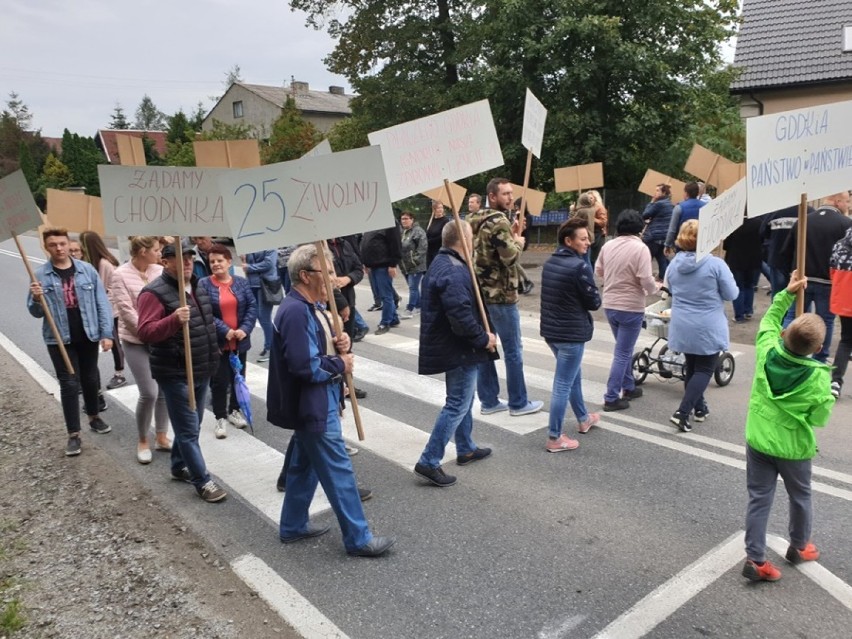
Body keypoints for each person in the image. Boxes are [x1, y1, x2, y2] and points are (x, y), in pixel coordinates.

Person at [267, 244, 394, 557]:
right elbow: (305, 366)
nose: (334, 279)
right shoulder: (297, 310)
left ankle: (293, 525)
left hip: (313, 402)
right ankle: (358, 538)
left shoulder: (308, 306)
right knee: (339, 472)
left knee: (303, 467)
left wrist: (341, 342)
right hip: (313, 404)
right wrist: (342, 364)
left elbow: (319, 347)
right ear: (307, 275)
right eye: (328, 272)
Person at [742, 270, 834, 582]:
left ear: (784, 334)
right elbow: (818, 418)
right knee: (801, 496)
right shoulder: (820, 377)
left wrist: (788, 293)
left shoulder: (767, 348)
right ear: (818, 348)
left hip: (758, 439)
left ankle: (755, 558)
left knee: (759, 497)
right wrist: (828, 397)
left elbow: (769, 318)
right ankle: (799, 545)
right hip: (793, 449)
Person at [137, 241, 227, 503]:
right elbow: (146, 332)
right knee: (188, 431)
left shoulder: (198, 285)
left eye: (189, 257)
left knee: (194, 425)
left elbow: (206, 323)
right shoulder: (153, 293)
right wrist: (174, 319)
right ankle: (203, 480)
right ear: (165, 262)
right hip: (176, 372)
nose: (187, 262)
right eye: (179, 257)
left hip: (202, 367)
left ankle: (178, 465)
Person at [414, 220, 497, 485]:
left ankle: (466, 447)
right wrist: (484, 338)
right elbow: (460, 315)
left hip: (453, 346)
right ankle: (429, 460)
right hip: (458, 348)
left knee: (463, 399)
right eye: (471, 237)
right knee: (458, 403)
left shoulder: (444, 263)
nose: (474, 242)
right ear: (463, 239)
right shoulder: (454, 270)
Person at [27, 228, 113, 457]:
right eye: (53, 244)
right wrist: (36, 298)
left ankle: (94, 417)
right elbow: (35, 312)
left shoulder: (86, 271)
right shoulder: (40, 275)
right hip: (58, 339)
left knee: (90, 378)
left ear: (69, 244)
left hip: (87, 334)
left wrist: (107, 333)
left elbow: (101, 303)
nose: (59, 248)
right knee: (68, 384)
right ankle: (73, 434)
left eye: (62, 243)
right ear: (47, 247)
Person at [469, 177, 543, 416]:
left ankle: (489, 401)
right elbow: (509, 257)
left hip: (479, 293)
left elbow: (485, 250)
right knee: (513, 350)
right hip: (501, 294)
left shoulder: (473, 219)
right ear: (492, 196)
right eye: (506, 194)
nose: (511, 198)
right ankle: (518, 402)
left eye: (511, 193)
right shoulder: (499, 220)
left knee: (486, 347)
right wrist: (518, 241)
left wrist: (509, 235)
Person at [665, 220, 739, 431]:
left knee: (692, 367)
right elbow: (731, 294)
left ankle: (700, 408)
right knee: (705, 370)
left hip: (682, 324)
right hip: (707, 324)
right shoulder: (715, 264)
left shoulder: (674, 263)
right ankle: (682, 412)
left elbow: (670, 288)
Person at [540, 218, 602, 452]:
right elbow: (594, 302)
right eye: (583, 239)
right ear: (569, 241)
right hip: (571, 333)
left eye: (588, 238)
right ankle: (554, 437)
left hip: (553, 332)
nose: (588, 242)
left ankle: (584, 418)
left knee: (573, 377)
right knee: (563, 384)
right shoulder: (579, 267)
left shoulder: (550, 262)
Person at [111, 236, 172, 463]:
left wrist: (165, 329)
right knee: (149, 392)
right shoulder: (120, 275)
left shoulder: (159, 270)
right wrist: (151, 332)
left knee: (164, 390)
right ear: (143, 251)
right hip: (136, 341)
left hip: (161, 339)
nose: (159, 253)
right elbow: (126, 312)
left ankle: (162, 436)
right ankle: (142, 439)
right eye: (156, 249)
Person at [595, 210, 658, 411]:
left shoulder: (608, 245)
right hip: (631, 306)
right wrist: (656, 288)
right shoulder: (641, 249)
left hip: (610, 304)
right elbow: (646, 279)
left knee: (624, 349)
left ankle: (629, 386)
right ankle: (611, 397)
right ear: (640, 228)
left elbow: (598, 271)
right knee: (623, 352)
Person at [780, 191, 852, 362]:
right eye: (847, 202)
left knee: (793, 317)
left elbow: (786, 251)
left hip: (801, 279)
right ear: (837, 201)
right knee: (825, 322)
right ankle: (820, 358)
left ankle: (785, 351)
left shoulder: (804, 220)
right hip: (828, 282)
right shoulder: (845, 224)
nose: (848, 206)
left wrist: (791, 273)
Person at [199, 244, 257, 439]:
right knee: (219, 381)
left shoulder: (241, 283)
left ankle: (234, 410)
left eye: (219, 260)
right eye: (212, 261)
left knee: (238, 378)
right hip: (218, 343)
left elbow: (251, 307)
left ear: (229, 262)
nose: (216, 264)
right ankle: (220, 417)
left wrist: (244, 329)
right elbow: (204, 312)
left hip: (239, 341)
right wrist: (226, 331)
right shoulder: (204, 284)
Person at [361, 223, 402, 335]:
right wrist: (365, 262)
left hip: (383, 265)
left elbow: (396, 244)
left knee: (386, 295)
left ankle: (385, 322)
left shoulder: (389, 222)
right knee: (381, 294)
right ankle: (393, 318)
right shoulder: (372, 221)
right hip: (373, 265)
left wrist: (393, 264)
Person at [723, 215, 764, 323]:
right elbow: (763, 240)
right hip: (754, 259)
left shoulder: (733, 223)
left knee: (738, 287)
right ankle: (748, 311)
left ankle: (739, 315)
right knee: (749, 285)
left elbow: (726, 245)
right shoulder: (759, 223)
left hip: (736, 260)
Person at [241, 249, 279, 362]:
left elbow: (269, 263)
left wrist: (249, 267)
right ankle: (269, 345)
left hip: (265, 285)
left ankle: (271, 348)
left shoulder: (267, 243)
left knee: (264, 317)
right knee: (258, 316)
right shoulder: (248, 244)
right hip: (252, 284)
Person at [829, 226, 852, 399]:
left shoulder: (840, 245)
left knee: (846, 340)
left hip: (845, 300)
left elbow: (832, 271)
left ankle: (835, 382)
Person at [641, 184, 674, 280]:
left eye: (657, 191)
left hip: (653, 236)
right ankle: (665, 279)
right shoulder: (669, 203)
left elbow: (645, 215)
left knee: (646, 259)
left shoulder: (658, 204)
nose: (654, 193)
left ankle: (644, 279)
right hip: (663, 236)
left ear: (663, 192)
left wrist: (651, 202)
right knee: (661, 259)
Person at [399, 210, 427, 319]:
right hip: (405, 265)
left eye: (406, 218)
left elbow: (422, 249)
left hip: (416, 266)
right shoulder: (403, 232)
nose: (404, 221)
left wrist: (414, 261)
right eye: (402, 219)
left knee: (413, 287)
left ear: (412, 219)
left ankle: (409, 309)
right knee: (413, 287)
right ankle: (419, 306)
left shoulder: (418, 232)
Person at [664, 182, 707, 252]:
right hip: (700, 245)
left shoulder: (679, 207)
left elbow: (672, 230)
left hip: (682, 246)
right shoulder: (705, 207)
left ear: (686, 193)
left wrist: (667, 245)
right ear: (697, 193)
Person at [425, 200, 451, 267]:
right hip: (430, 250)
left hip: (438, 250)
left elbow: (443, 235)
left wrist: (430, 241)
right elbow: (428, 233)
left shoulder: (445, 220)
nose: (440, 210)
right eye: (438, 208)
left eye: (441, 208)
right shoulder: (432, 221)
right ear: (434, 210)